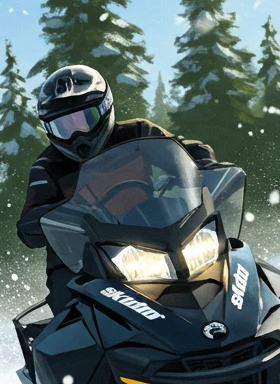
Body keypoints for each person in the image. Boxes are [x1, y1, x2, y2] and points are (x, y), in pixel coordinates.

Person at [16, 64, 221, 314]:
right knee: (71, 304)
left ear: (105, 109)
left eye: (85, 119)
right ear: (50, 130)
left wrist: (204, 167)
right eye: (64, 127)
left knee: (223, 259)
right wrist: (47, 220)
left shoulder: (139, 133)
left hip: (160, 234)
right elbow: (29, 220)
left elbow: (182, 152)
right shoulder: (47, 167)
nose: (77, 135)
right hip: (84, 259)